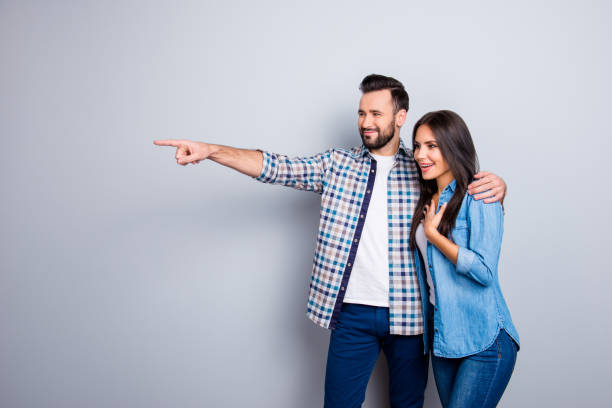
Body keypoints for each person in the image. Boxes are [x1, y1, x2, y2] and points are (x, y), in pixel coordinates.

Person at [154, 75, 507, 408]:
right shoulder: (337, 164)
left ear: (400, 117)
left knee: (407, 404)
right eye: (361, 113)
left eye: (376, 113)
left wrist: (497, 185)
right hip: (352, 313)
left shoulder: (421, 167)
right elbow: (277, 166)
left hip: (412, 317)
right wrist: (212, 150)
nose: (366, 121)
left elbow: (459, 187)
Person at [409, 110, 519, 408]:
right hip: (445, 340)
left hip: (484, 338)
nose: (421, 154)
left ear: (453, 146)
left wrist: (435, 237)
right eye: (417, 146)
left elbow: (484, 271)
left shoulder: (479, 195)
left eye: (432, 146)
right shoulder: (425, 198)